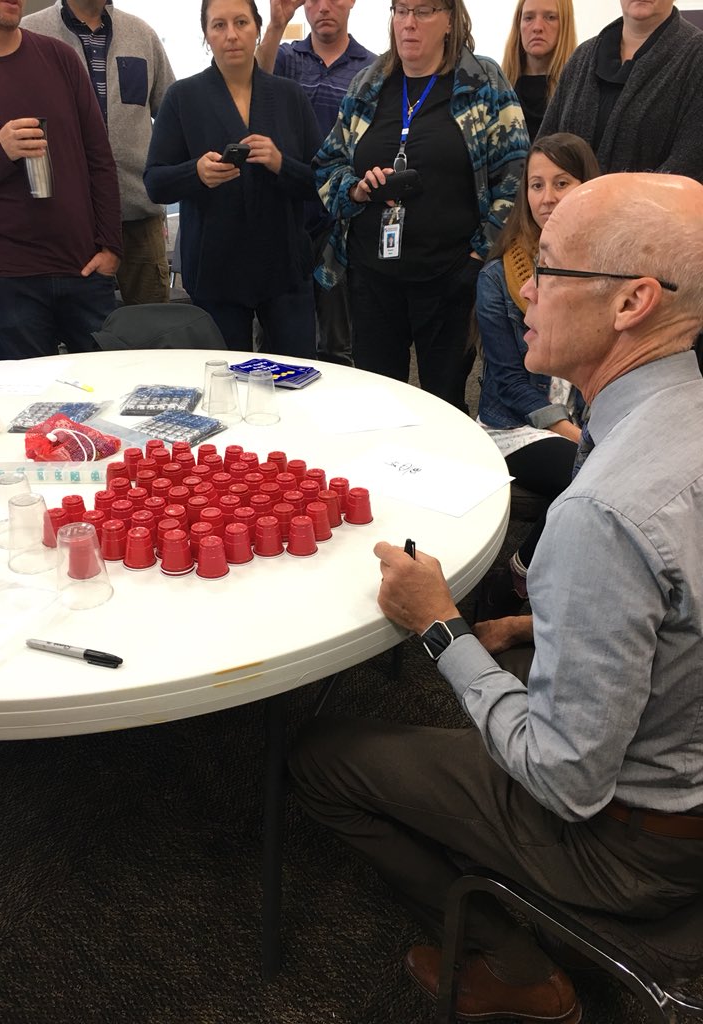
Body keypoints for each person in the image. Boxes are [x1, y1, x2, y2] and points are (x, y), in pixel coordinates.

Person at [290, 172, 703, 1023]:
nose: (523, 288)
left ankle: (510, 965)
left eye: (548, 269)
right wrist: (557, 625)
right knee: (504, 648)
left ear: (633, 303)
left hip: (638, 848)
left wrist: (439, 627)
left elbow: (566, 781)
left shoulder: (603, 513)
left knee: (319, 759)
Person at [313, 0, 528, 411]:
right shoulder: (369, 83)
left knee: (443, 404)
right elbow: (326, 165)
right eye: (401, 10)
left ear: (450, 20)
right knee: (377, 403)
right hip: (372, 278)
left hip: (449, 278)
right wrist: (356, 189)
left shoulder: (482, 81)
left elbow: (517, 177)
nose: (409, 24)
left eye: (424, 11)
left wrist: (477, 257)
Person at [0, 0, 121, 362]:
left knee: (110, 389)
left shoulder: (60, 58)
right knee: (28, 409)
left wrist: (111, 247)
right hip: (3, 277)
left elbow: (100, 158)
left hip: (83, 267)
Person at [144, 0, 321, 358]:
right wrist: (195, 172)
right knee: (223, 387)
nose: (231, 35)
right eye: (219, 26)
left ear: (257, 28)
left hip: (284, 267)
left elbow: (321, 182)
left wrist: (280, 163)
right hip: (216, 270)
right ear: (206, 36)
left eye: (241, 22)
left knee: (297, 380)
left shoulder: (289, 97)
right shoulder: (183, 97)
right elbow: (155, 182)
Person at [475, 132, 600, 616]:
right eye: (536, 185)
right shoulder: (498, 277)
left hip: (585, 416)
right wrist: (580, 435)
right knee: (588, 477)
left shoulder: (605, 270)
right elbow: (508, 384)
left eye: (562, 182)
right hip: (515, 427)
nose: (547, 197)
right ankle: (515, 580)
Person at [22, 0, 175, 306]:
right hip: (68, 221)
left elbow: (172, 117)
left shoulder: (142, 34)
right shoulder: (30, 33)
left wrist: (165, 182)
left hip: (138, 215)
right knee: (87, 338)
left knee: (153, 330)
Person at [256, 0, 376, 367]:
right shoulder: (288, 57)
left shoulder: (372, 68)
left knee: (338, 341)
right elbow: (253, 83)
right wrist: (275, 25)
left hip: (339, 222)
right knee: (274, 341)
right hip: (285, 216)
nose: (325, 7)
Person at [539, 0, 703, 180]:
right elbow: (544, 153)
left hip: (656, 207)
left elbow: (689, 169)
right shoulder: (581, 58)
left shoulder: (696, 58)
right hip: (567, 207)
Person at [500, 0, 576, 140]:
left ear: (565, 25)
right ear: (519, 24)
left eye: (550, 17)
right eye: (529, 17)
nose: (537, 27)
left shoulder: (577, 93)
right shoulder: (497, 92)